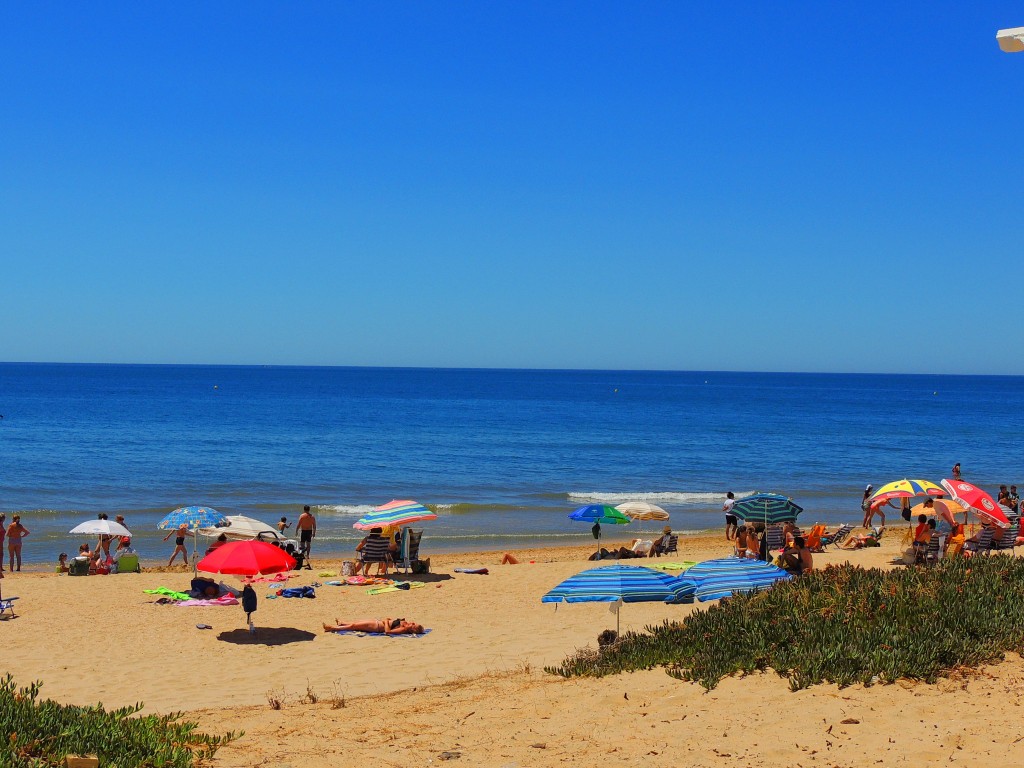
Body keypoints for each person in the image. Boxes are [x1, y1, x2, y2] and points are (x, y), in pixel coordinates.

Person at [322, 617, 425, 635]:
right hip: (376, 622)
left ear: (412, 629)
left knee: (354, 626)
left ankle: (332, 628)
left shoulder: (403, 629)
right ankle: (342, 623)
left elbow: (388, 632)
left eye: (413, 625)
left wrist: (385, 621)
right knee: (356, 623)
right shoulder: (405, 625)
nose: (412, 623)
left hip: (376, 626)